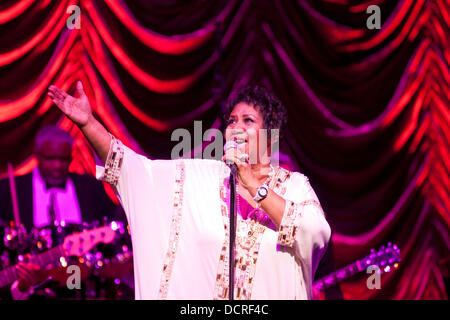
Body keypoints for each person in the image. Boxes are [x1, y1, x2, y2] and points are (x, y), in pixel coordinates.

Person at [47, 82, 331, 299]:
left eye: (248, 120)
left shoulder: (294, 187)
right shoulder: (200, 179)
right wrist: (88, 123)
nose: (235, 128)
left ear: (272, 136)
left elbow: (315, 233)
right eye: (231, 121)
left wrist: (254, 185)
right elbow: (132, 170)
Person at [0, 125, 126, 299]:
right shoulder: (9, 190)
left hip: (83, 290)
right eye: (50, 159)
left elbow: (113, 240)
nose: (57, 165)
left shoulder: (90, 188)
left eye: (63, 159)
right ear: (36, 155)